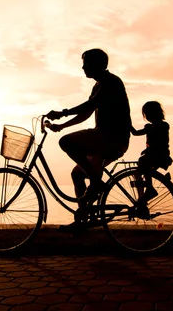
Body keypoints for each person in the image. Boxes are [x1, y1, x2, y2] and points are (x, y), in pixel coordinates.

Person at [46, 49, 131, 229]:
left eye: (86, 63)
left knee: (66, 142)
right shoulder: (98, 85)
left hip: (112, 138)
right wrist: (62, 125)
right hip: (103, 138)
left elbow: (90, 104)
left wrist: (63, 113)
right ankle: (82, 219)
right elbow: (86, 113)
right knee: (77, 174)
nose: (83, 67)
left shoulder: (111, 82)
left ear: (97, 65)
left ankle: (95, 182)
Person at [130, 101, 173, 212]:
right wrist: (128, 124)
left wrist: (149, 149)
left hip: (160, 155)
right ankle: (142, 198)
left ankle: (149, 189)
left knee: (143, 162)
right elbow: (135, 133)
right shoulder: (150, 127)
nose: (147, 117)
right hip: (153, 155)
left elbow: (160, 142)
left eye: (148, 114)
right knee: (139, 172)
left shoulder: (163, 126)